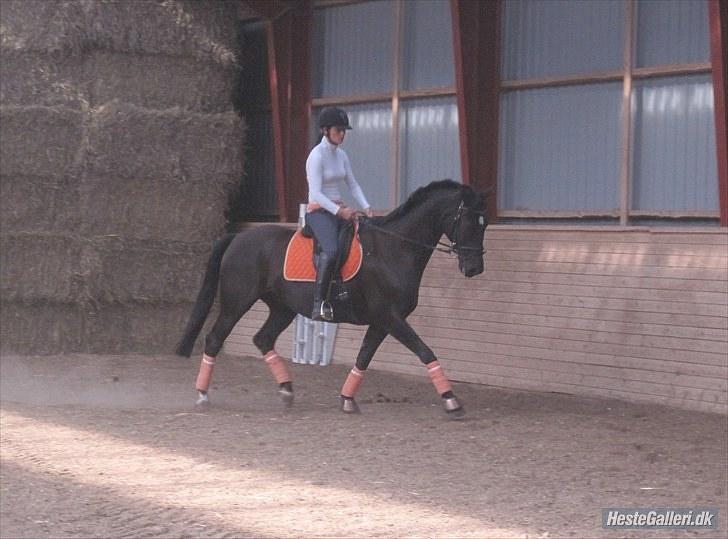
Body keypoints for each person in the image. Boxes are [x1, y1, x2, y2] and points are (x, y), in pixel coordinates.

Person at [305, 106, 373, 321]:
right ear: (325, 130)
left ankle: (344, 289)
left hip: (338, 210)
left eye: (344, 130)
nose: (342, 134)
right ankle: (319, 304)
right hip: (319, 211)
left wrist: (367, 206)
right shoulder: (316, 156)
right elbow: (315, 193)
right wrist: (339, 211)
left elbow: (352, 185)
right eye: (339, 130)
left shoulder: (342, 155)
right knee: (333, 251)